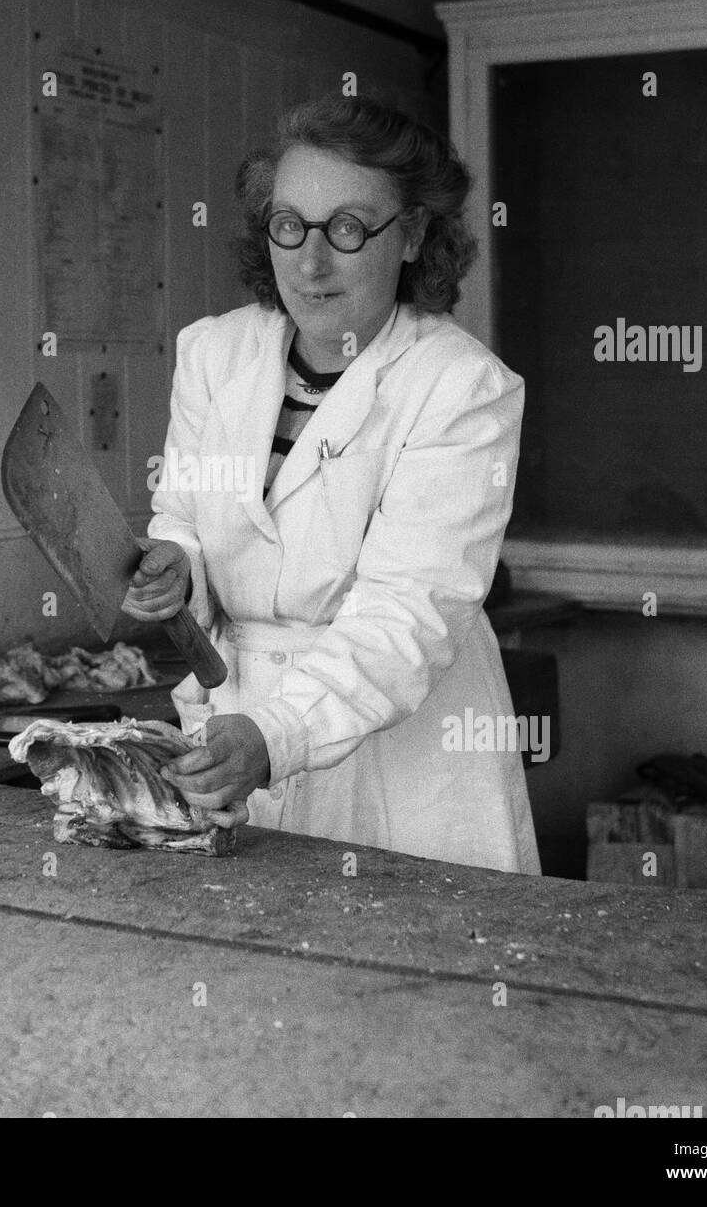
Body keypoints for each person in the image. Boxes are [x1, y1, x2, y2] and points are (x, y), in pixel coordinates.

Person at [123, 94, 540, 874]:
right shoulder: (214, 354)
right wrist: (177, 563)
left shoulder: (461, 388)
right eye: (291, 225)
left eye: (348, 228)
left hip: (402, 746)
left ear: (412, 233)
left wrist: (276, 738)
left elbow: (408, 613)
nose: (310, 262)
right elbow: (182, 512)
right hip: (232, 711)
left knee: (398, 974)